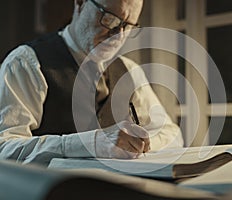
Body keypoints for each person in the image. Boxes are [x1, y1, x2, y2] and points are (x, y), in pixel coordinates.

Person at [0, 0, 183, 166]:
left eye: (127, 26)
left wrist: (139, 143)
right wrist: (91, 144)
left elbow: (172, 134)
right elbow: (5, 148)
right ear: (80, 3)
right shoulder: (26, 63)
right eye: (109, 19)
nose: (117, 35)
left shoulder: (129, 70)